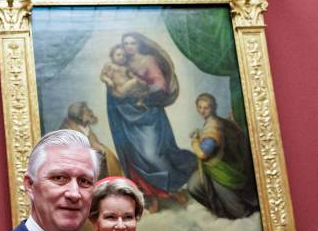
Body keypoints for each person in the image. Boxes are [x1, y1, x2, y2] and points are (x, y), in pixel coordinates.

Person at [105, 32, 196, 213]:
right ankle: (152, 195)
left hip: (148, 115)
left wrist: (143, 92)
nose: (128, 47)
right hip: (127, 117)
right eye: (125, 44)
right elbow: (112, 86)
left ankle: (172, 189)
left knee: (153, 155)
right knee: (134, 157)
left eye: (132, 43)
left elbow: (161, 85)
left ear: (139, 45)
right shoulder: (121, 63)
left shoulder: (148, 61)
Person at [188, 93, 259, 219]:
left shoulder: (213, 126)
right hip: (216, 169)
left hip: (221, 172)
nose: (202, 111)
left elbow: (203, 153)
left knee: (237, 211)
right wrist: (200, 135)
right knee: (194, 186)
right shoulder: (218, 121)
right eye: (200, 107)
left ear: (213, 107)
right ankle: (222, 211)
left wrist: (194, 142)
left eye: (206, 107)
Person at [100, 44, 148, 108]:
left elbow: (131, 75)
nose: (121, 57)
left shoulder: (125, 67)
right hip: (119, 90)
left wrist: (139, 80)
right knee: (136, 81)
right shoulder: (109, 65)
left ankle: (140, 102)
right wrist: (108, 80)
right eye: (118, 55)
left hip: (127, 89)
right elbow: (102, 76)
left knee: (143, 89)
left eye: (124, 55)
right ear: (112, 56)